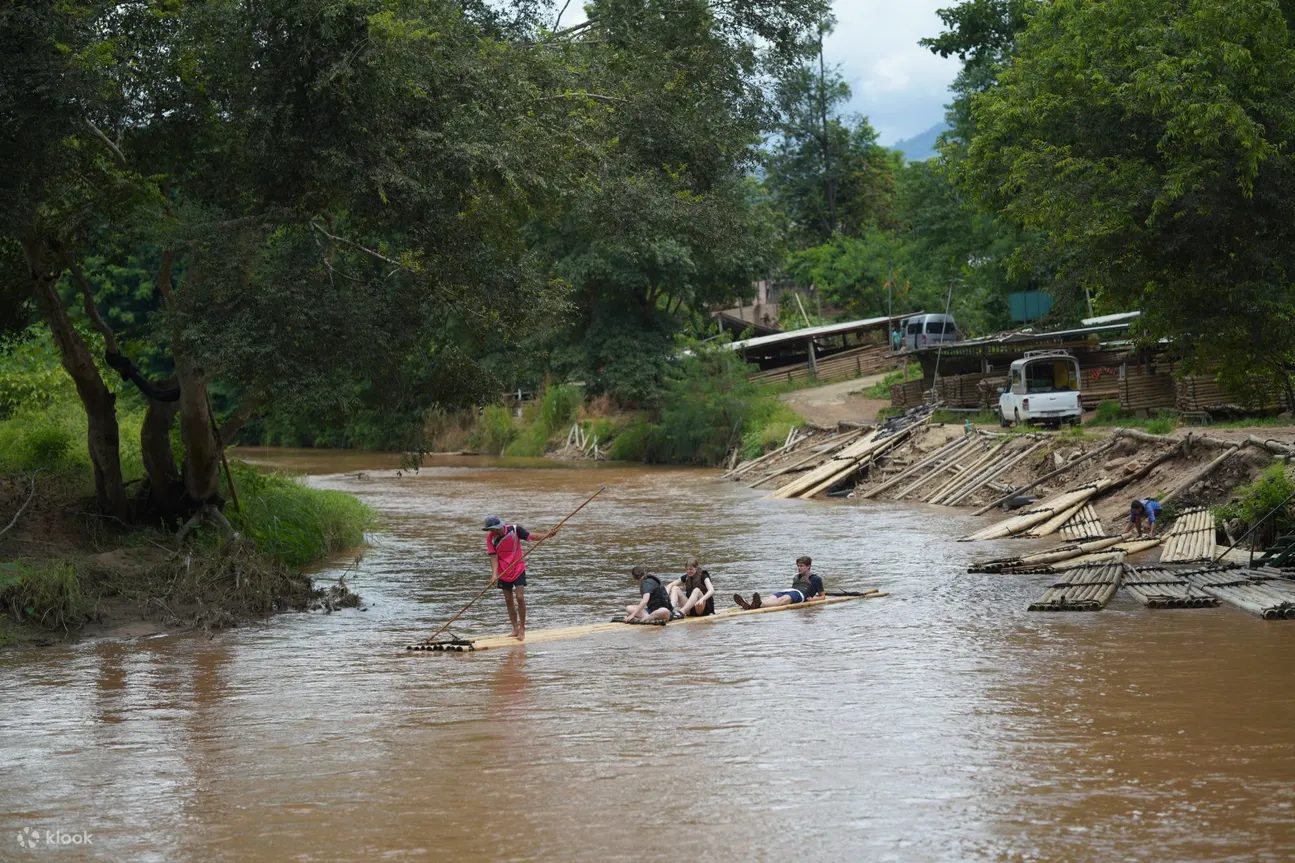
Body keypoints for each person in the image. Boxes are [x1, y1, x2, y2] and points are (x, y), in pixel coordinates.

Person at [483, 514, 559, 641]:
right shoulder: (490, 538)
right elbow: (493, 557)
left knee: (519, 597)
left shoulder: (514, 530)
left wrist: (547, 535)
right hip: (503, 571)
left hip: (518, 568)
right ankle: (515, 629)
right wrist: (494, 575)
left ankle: (522, 629)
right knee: (508, 599)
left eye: (493, 529)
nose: (492, 531)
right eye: (490, 530)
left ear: (498, 527)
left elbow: (532, 536)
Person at [733, 556, 824, 610]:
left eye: (802, 566)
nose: (799, 568)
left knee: (782, 600)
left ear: (808, 566)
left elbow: (822, 596)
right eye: (798, 566)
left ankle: (758, 605)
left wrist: (813, 600)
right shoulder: (796, 577)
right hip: (789, 590)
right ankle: (749, 604)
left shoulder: (816, 579)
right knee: (770, 598)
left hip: (800, 594)